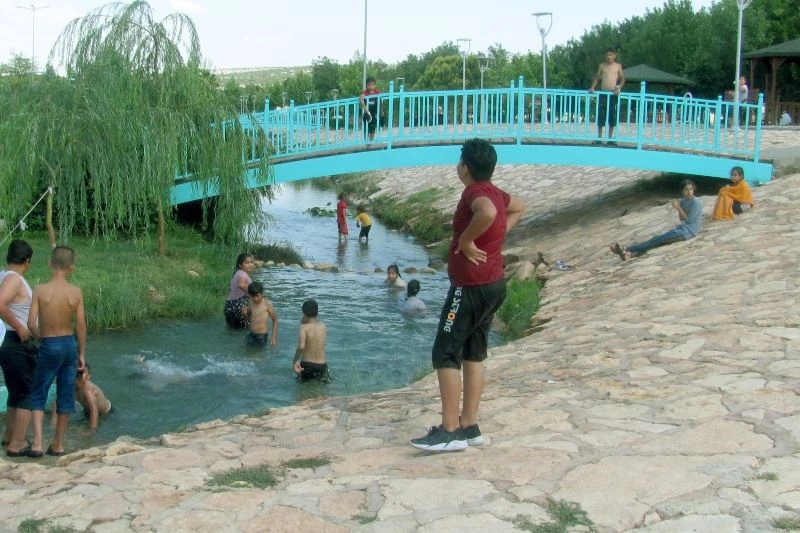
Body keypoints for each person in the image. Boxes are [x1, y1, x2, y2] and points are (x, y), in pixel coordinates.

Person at [410, 138, 525, 452]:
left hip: (470, 287)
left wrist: (468, 240)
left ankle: (448, 431)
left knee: (444, 352)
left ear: (465, 167)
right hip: (493, 284)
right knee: (474, 352)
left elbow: (487, 213)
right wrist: (493, 238)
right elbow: (519, 206)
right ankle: (469, 425)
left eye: (459, 160)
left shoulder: (475, 192)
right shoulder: (494, 190)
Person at [19, 246, 86, 458]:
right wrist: (81, 353)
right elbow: (81, 326)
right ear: (72, 268)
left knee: (39, 391)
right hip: (69, 345)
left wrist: (39, 336)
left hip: (49, 343)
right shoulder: (75, 292)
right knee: (66, 394)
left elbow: (30, 323)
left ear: (50, 264)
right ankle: (58, 445)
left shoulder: (40, 290)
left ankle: (38, 443)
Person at [0, 240, 36, 454]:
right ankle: (18, 444)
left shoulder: (4, 276)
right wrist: (20, 328)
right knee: (27, 392)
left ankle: (9, 436)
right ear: (27, 261)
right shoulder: (14, 279)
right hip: (15, 340)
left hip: (8, 341)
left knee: (15, 391)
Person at [610, 179, 703, 260]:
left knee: (657, 240)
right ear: (682, 191)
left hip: (689, 232)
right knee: (657, 241)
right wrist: (678, 207)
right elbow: (682, 219)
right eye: (686, 189)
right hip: (682, 229)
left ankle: (627, 249)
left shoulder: (696, 202)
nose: (689, 192)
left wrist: (678, 208)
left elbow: (689, 221)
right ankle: (630, 254)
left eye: (691, 189)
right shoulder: (683, 201)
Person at [589, 48, 625, 144]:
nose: (609, 57)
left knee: (612, 115)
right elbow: (597, 77)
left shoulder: (618, 66)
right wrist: (592, 87)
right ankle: (600, 137)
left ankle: (610, 138)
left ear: (614, 56)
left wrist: (618, 88)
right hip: (603, 93)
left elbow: (622, 79)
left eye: (611, 55)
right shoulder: (602, 66)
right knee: (601, 114)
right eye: (607, 55)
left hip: (612, 94)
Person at [65, 363, 111, 432]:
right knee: (73, 428)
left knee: (91, 429)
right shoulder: (71, 386)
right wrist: (54, 419)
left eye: (83, 372)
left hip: (106, 413)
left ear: (88, 376)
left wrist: (91, 430)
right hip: (87, 411)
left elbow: (94, 410)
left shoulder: (87, 387)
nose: (79, 374)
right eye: (77, 372)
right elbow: (61, 403)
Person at [292, 299, 330, 382]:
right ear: (317, 312)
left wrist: (295, 361)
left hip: (308, 365)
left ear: (304, 314)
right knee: (322, 390)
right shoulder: (323, 326)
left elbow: (301, 346)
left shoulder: (304, 327)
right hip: (322, 365)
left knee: (301, 390)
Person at [224, 253, 254, 329]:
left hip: (230, 306)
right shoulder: (243, 274)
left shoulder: (237, 273)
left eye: (251, 262)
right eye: (247, 263)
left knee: (232, 331)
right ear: (240, 265)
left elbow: (232, 290)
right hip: (240, 307)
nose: (250, 264)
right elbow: (241, 285)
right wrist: (254, 294)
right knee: (245, 330)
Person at [244, 281, 278, 347]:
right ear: (249, 295)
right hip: (251, 333)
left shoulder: (267, 304)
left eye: (258, 296)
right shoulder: (250, 303)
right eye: (252, 296)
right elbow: (248, 318)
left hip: (262, 335)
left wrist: (273, 337)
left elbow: (275, 320)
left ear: (262, 294)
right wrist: (244, 313)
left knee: (258, 355)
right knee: (248, 354)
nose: (255, 299)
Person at [359, 77, 380, 141]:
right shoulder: (365, 92)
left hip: (374, 114)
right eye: (369, 85)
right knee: (366, 129)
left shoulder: (377, 92)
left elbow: (380, 101)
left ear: (375, 85)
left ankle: (370, 143)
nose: (371, 86)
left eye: (372, 85)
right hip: (367, 114)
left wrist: (381, 111)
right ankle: (366, 142)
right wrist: (365, 109)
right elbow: (360, 98)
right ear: (366, 85)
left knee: (373, 129)